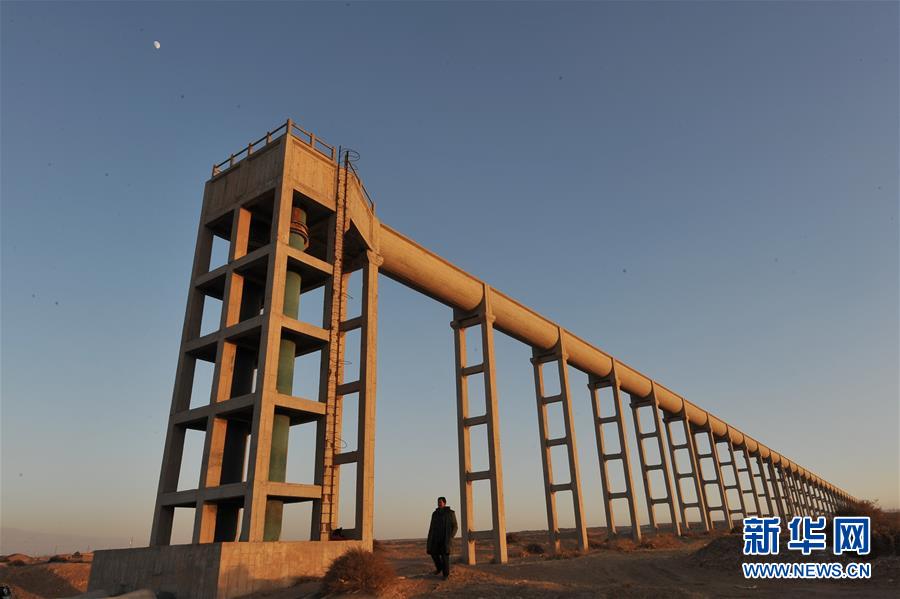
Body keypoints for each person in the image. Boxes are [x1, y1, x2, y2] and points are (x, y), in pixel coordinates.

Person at [426, 496, 458, 579]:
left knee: (445, 557)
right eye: (438, 502)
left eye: (440, 502)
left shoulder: (450, 513)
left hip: (445, 538)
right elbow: (431, 527)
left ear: (444, 503)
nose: (439, 504)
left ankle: (445, 574)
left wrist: (451, 536)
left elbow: (455, 526)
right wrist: (430, 537)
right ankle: (439, 568)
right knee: (433, 553)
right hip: (436, 538)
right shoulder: (435, 514)